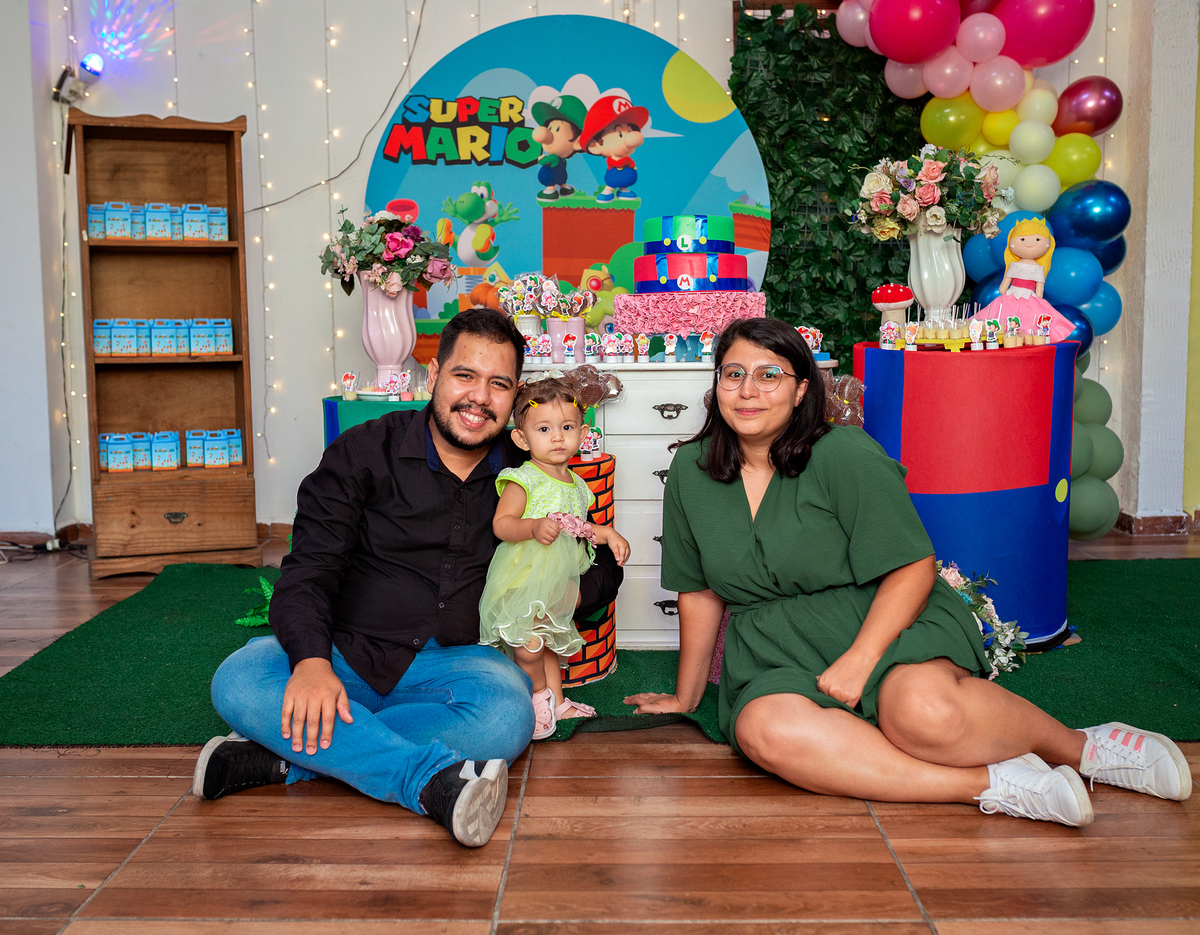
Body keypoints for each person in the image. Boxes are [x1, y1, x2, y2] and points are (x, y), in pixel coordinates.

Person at [626, 317, 1191, 826]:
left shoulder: (843, 453)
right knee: (764, 732)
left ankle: (1083, 749)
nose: (748, 391)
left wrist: (860, 659)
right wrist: (686, 696)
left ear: (801, 391)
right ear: (717, 386)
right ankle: (990, 784)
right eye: (734, 374)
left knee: (921, 713)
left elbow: (912, 566)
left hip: (880, 617)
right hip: (773, 648)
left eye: (769, 375)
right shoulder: (691, 470)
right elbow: (699, 591)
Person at [193, 308, 624, 847]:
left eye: (498, 384)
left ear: (514, 397)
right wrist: (311, 663)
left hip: (459, 666)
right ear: (434, 375)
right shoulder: (362, 451)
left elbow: (602, 564)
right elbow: (309, 569)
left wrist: (553, 596)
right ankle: (426, 781)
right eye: (464, 375)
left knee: (505, 718)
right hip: (350, 651)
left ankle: (289, 757)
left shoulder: (530, 471)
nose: (478, 398)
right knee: (240, 678)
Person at [480, 369, 631, 739]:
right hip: (524, 575)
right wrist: (532, 526)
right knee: (529, 647)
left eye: (567, 427)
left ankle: (559, 703)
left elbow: (581, 527)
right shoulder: (525, 478)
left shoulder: (578, 485)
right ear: (522, 437)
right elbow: (502, 524)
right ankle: (537, 698)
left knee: (547, 641)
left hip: (558, 577)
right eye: (544, 429)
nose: (558, 437)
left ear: (582, 432)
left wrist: (608, 534)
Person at [972, 217, 1076, 342]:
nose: (1029, 243)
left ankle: (1025, 336)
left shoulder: (1038, 268)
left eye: (1037, 239)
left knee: (1030, 317)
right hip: (1012, 293)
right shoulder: (1014, 265)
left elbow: (1040, 284)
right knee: (1003, 313)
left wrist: (1038, 297)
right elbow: (1007, 278)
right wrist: (1003, 288)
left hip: (1029, 296)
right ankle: (1003, 335)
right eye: (1022, 239)